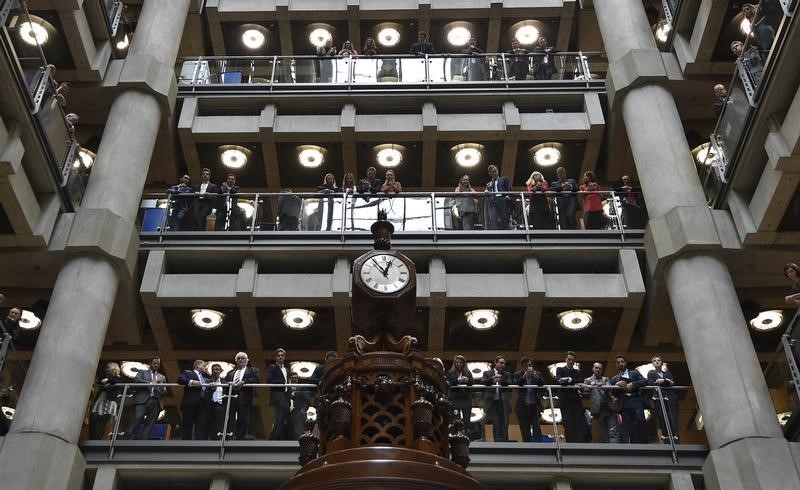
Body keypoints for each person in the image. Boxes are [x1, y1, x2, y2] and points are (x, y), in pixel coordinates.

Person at [125, 356, 166, 440]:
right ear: (150, 363)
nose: (156, 365)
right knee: (137, 418)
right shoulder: (142, 372)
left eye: (158, 364)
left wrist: (162, 389)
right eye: (154, 363)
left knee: (150, 423)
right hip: (143, 400)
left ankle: (144, 440)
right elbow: (137, 381)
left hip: (156, 401)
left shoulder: (162, 377)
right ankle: (129, 438)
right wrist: (151, 383)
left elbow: (165, 392)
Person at [610, 355, 647, 443]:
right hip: (624, 403)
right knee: (628, 426)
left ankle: (644, 444)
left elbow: (644, 381)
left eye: (622, 362)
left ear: (625, 363)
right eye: (618, 362)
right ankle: (634, 446)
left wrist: (632, 384)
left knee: (640, 421)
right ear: (616, 365)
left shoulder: (634, 372)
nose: (620, 364)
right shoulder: (614, 378)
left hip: (635, 400)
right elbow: (614, 393)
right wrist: (617, 386)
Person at [224, 351, 260, 440]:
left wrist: (244, 382)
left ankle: (241, 438)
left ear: (247, 360)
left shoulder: (252, 370)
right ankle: (230, 437)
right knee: (230, 418)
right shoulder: (231, 372)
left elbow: (256, 379)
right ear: (236, 361)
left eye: (243, 358)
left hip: (245, 397)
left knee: (243, 419)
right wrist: (229, 383)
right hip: (231, 398)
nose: (240, 360)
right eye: (238, 358)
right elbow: (224, 381)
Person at [555, 351, 590, 442]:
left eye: (572, 360)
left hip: (576, 401)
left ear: (574, 362)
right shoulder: (560, 369)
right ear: (566, 360)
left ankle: (581, 443)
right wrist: (570, 381)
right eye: (569, 359)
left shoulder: (578, 371)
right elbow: (559, 379)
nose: (570, 361)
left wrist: (569, 379)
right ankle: (570, 443)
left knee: (580, 423)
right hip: (565, 401)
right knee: (568, 424)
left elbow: (580, 380)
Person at [580, 362, 618, 443]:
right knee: (603, 432)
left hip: (609, 407)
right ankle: (608, 451)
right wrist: (588, 386)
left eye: (600, 368)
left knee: (613, 430)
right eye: (596, 368)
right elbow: (584, 391)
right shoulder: (588, 380)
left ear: (602, 370)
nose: (598, 370)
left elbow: (609, 388)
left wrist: (602, 386)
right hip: (598, 409)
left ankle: (615, 449)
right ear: (593, 369)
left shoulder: (606, 379)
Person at [647, 356, 679, 443]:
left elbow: (672, 383)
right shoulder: (651, 373)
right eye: (655, 360)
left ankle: (676, 441)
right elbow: (652, 383)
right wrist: (666, 382)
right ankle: (667, 442)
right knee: (663, 419)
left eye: (659, 360)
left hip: (670, 397)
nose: (657, 362)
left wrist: (662, 381)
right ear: (652, 363)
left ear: (661, 362)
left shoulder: (668, 373)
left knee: (673, 418)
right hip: (659, 398)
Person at [88, 362, 125, 439]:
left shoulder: (118, 379)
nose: (106, 370)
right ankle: (93, 437)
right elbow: (99, 383)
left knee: (102, 421)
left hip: (109, 401)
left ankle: (97, 439)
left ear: (113, 369)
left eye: (108, 368)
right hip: (100, 400)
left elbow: (116, 382)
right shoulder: (105, 379)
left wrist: (107, 381)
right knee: (93, 418)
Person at [513, 357, 545, 442]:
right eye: (526, 365)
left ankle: (539, 446)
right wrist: (524, 376)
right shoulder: (518, 374)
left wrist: (535, 375)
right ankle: (528, 446)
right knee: (524, 428)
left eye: (529, 365)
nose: (528, 367)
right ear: (523, 366)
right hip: (523, 406)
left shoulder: (537, 373)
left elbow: (543, 384)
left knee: (537, 427)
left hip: (535, 406)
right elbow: (515, 384)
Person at [481, 355, 512, 441]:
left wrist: (501, 380)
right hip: (492, 402)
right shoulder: (487, 373)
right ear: (495, 362)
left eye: (504, 364)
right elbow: (483, 382)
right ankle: (497, 443)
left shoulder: (507, 374)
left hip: (503, 402)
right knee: (496, 423)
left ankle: (505, 444)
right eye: (501, 363)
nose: (503, 365)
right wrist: (492, 379)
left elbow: (509, 383)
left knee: (505, 424)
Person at [177, 359, 209, 440]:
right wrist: (192, 382)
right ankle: (186, 446)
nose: (205, 368)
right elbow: (180, 379)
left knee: (201, 425)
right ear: (197, 366)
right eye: (204, 366)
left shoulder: (205, 378)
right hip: (190, 403)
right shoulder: (188, 373)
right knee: (187, 424)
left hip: (202, 405)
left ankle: (200, 446)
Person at [267, 348, 291, 440]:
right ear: (275, 357)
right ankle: (274, 437)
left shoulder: (287, 369)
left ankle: (280, 436)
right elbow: (269, 380)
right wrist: (283, 382)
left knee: (285, 416)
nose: (280, 357)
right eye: (278, 355)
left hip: (285, 395)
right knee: (280, 416)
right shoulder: (272, 367)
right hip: (277, 394)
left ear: (284, 357)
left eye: (282, 355)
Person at [447, 355, 474, 434]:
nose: (459, 364)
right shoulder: (450, 372)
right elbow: (449, 383)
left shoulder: (468, 372)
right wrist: (458, 380)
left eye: (460, 362)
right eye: (457, 362)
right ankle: (455, 435)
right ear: (454, 363)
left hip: (466, 399)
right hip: (455, 399)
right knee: (455, 418)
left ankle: (466, 435)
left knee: (466, 419)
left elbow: (472, 382)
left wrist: (467, 380)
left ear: (463, 363)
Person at [485, 164, 513, 230]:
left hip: (502, 199)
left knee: (504, 217)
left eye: (495, 171)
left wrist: (507, 198)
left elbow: (510, 189)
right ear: (490, 173)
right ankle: (495, 235)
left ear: (497, 171)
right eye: (492, 172)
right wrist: (486, 191)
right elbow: (487, 192)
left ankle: (506, 234)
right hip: (493, 201)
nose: (494, 173)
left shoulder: (504, 179)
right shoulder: (489, 183)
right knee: (493, 218)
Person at [286, 372, 312, 440]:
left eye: (296, 378)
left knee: (298, 432)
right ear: (289, 379)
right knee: (290, 431)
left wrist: (303, 410)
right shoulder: (287, 389)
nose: (294, 379)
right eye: (292, 378)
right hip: (289, 414)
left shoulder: (302, 388)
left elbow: (308, 400)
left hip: (299, 413)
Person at [206, 363, 226, 439]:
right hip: (209, 406)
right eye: (213, 370)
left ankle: (218, 442)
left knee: (219, 425)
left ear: (220, 371)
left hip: (221, 406)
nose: (215, 371)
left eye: (217, 369)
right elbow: (205, 395)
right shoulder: (207, 382)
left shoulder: (224, 382)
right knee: (209, 426)